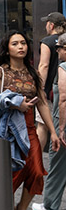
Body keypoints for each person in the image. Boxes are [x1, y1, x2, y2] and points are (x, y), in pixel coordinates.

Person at [0, 30, 61, 210]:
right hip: (8, 129)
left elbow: (43, 102)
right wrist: (14, 104)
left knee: (36, 171)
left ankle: (21, 209)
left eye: (23, 43)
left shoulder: (33, 73)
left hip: (29, 129)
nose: (21, 47)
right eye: (15, 43)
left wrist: (53, 132)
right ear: (7, 48)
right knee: (12, 175)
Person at [33, 33, 66, 210]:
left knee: (57, 163)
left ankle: (50, 206)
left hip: (63, 121)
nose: (57, 52)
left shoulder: (63, 67)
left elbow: (63, 98)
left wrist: (60, 129)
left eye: (59, 48)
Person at [39, 12, 66, 148]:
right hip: (62, 90)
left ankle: (37, 160)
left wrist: (40, 88)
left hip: (51, 92)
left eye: (47, 23)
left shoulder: (47, 42)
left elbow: (44, 66)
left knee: (42, 125)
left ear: (51, 25)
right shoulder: (64, 41)